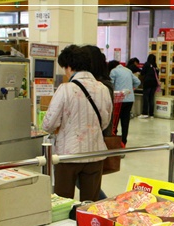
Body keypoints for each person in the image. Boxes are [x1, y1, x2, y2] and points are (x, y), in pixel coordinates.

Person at [42, 45, 113, 202]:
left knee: (63, 202)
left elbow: (48, 124)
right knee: (90, 203)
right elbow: (105, 122)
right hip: (95, 154)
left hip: (68, 156)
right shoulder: (103, 89)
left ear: (69, 67)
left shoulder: (65, 89)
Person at [108, 60, 141, 146]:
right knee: (125, 122)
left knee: (115, 122)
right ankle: (123, 142)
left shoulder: (113, 71)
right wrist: (131, 89)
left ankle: (114, 142)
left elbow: (110, 85)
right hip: (129, 99)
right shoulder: (128, 70)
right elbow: (138, 82)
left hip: (118, 100)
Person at [138, 54, 159, 119]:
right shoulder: (155, 66)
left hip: (147, 83)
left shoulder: (147, 64)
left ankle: (145, 113)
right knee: (151, 98)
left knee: (146, 98)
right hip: (154, 84)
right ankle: (151, 114)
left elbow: (142, 73)